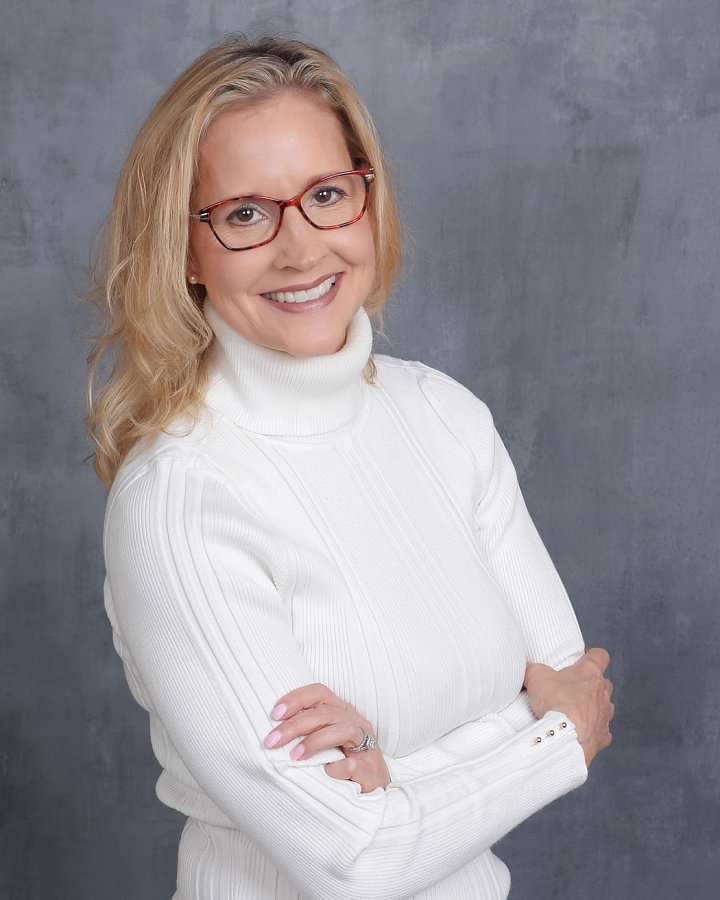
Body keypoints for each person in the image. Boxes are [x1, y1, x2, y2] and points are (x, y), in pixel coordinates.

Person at [85, 32, 614, 900]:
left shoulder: (441, 416)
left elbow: (576, 686)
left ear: (367, 204)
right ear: (185, 248)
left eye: (327, 194)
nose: (300, 250)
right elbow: (356, 861)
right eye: (247, 214)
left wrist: (382, 769)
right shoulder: (180, 500)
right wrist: (542, 739)